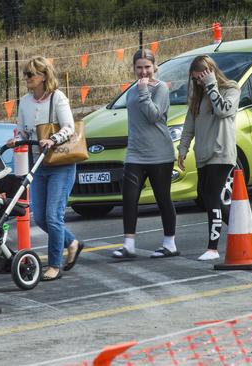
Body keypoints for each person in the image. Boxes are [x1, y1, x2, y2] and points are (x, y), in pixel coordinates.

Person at [6, 56, 83, 281]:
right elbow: (22, 131)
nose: (26, 79)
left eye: (30, 75)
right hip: (38, 164)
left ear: (43, 77)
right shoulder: (24, 102)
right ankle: (72, 242)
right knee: (40, 217)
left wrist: (53, 138)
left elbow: (69, 127)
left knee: (53, 216)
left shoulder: (58, 98)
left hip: (60, 163)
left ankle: (54, 265)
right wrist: (16, 140)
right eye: (25, 75)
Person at [112, 48, 178, 259]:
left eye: (147, 67)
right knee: (129, 198)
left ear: (154, 67)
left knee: (162, 199)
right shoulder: (132, 90)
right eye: (139, 67)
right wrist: (139, 90)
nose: (143, 72)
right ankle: (128, 244)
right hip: (135, 154)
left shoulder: (160, 89)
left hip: (160, 153)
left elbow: (154, 116)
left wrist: (143, 92)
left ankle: (170, 244)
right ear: (133, 68)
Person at [177, 55, 239, 261]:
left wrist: (212, 85)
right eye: (195, 79)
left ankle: (213, 248)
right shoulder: (198, 96)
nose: (198, 82)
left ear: (210, 72)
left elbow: (223, 111)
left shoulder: (230, 88)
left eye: (201, 78)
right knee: (205, 197)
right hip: (203, 154)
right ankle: (241, 228)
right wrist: (183, 148)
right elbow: (189, 125)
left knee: (212, 196)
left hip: (221, 154)